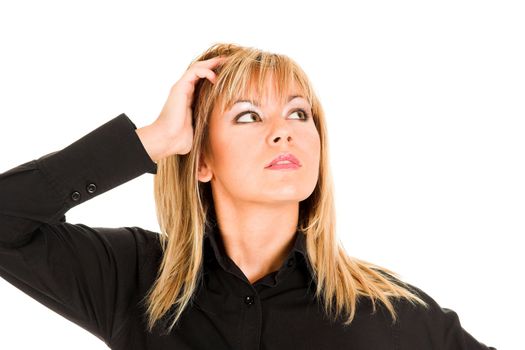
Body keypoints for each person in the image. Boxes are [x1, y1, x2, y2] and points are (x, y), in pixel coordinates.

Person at [0, 43, 496, 349]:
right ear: (201, 159)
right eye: (248, 116)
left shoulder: (387, 312)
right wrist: (151, 141)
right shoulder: (134, 280)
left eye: (300, 113)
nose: (284, 132)